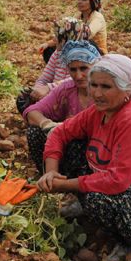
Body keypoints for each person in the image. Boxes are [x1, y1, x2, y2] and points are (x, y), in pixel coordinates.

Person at [37, 54, 131, 261]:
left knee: (96, 199)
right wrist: (51, 171)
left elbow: (119, 180)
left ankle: (130, 241)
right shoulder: (99, 111)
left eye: (106, 87)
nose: (96, 93)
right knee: (55, 140)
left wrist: (67, 185)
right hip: (113, 177)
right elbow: (59, 133)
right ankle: (85, 204)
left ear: (127, 91)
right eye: (94, 85)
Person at [23, 40, 101, 174]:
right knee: (34, 131)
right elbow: (31, 111)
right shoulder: (66, 88)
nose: (78, 75)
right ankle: (51, 175)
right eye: (73, 69)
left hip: (96, 149)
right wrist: (48, 124)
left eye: (83, 68)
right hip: (65, 141)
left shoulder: (103, 93)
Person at [16, 17, 92, 113]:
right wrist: (38, 91)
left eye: (57, 36)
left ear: (67, 38)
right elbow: (44, 78)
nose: (54, 39)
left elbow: (73, 82)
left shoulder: (85, 57)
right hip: (53, 95)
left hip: (72, 98)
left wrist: (49, 88)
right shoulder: (57, 54)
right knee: (24, 98)